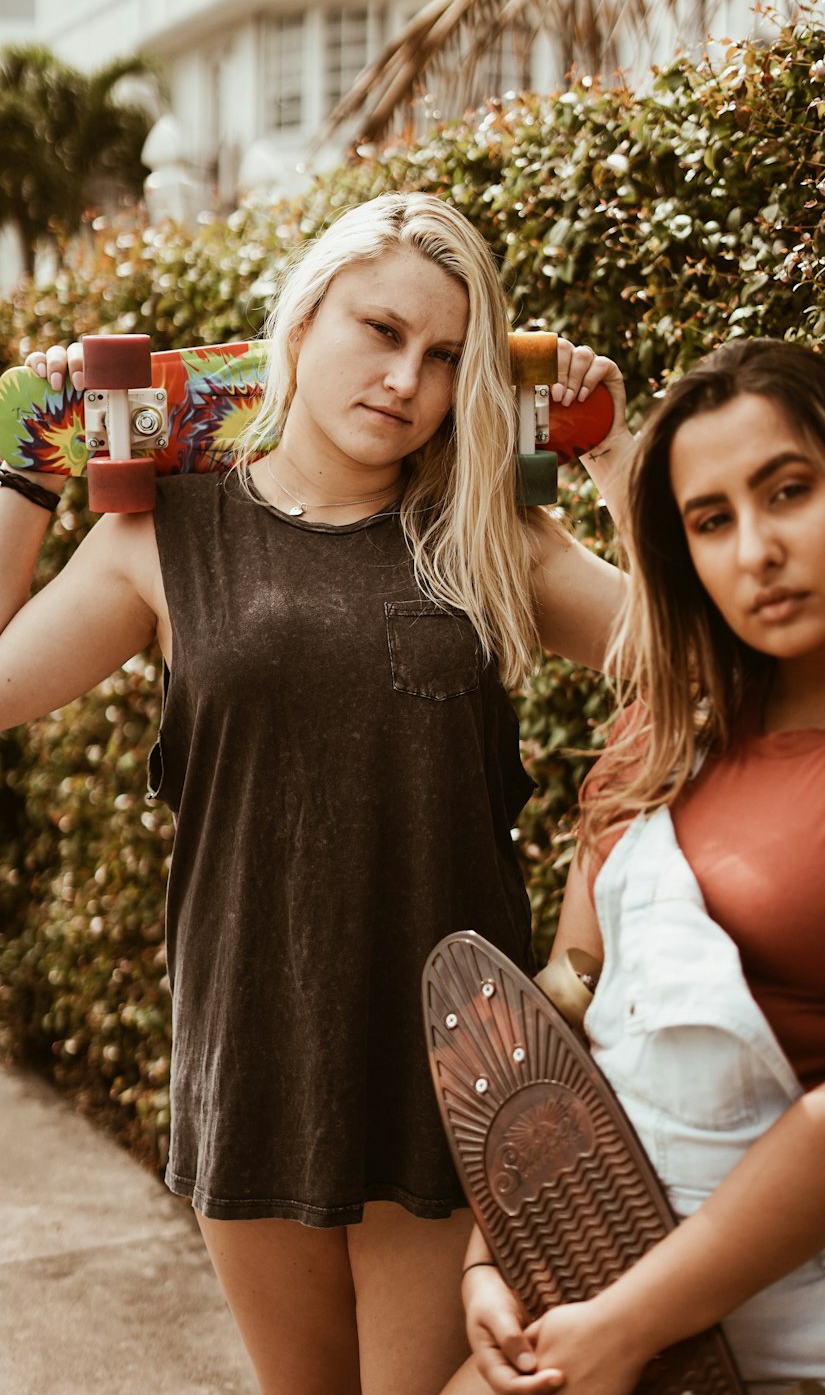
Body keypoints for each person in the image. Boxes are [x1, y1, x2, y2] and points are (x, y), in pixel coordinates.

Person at [0, 192, 636, 1395]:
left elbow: (693, 662)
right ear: (300, 323)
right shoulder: (161, 537)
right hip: (253, 1053)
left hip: (450, 1067)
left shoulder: (490, 533)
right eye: (378, 329)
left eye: (443, 355)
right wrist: (25, 459)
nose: (404, 377)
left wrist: (613, 461)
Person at [451, 337, 825, 1395]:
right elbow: (563, 1021)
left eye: (786, 492)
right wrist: (494, 1258)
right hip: (597, 1303)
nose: (755, 549)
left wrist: (622, 1324)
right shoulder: (654, 738)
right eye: (711, 521)